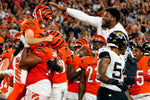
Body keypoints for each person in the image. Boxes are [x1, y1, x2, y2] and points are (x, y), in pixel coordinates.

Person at [49, 2, 128, 40]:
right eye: (104, 15)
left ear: (113, 19)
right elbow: (84, 17)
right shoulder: (100, 21)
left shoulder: (121, 32)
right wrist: (65, 9)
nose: (103, 18)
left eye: (106, 16)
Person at [96, 31, 131, 100]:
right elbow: (100, 76)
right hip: (107, 90)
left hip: (118, 92)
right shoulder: (107, 53)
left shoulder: (120, 57)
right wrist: (115, 82)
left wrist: (126, 80)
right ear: (120, 44)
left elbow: (115, 74)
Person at [78, 35, 106, 100]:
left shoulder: (107, 60)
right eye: (95, 43)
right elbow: (82, 82)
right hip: (89, 94)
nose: (96, 46)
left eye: (99, 44)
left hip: (102, 94)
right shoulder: (85, 60)